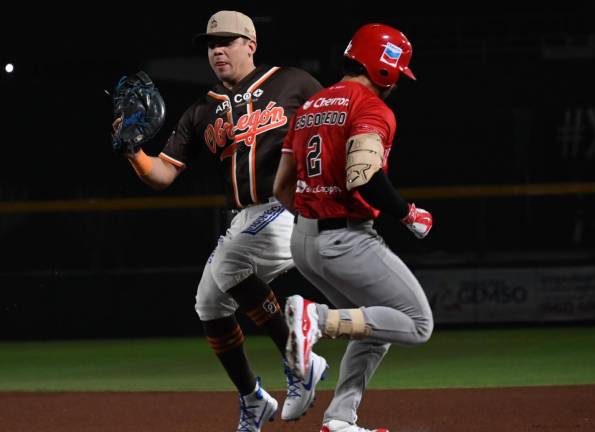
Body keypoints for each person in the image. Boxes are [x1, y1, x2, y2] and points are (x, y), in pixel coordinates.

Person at [116, 10, 327, 432]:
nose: (217, 51)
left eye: (227, 42)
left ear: (251, 44)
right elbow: (163, 173)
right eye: (211, 45)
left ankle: (300, 360)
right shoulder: (200, 111)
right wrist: (131, 150)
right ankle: (253, 398)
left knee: (230, 261)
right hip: (247, 217)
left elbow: (337, 120)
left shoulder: (293, 82)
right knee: (208, 303)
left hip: (288, 204)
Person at [272, 23, 434, 432]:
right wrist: (407, 214)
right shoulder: (370, 105)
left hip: (304, 239)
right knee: (416, 323)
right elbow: (364, 174)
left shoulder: (310, 106)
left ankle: (340, 419)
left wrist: (314, 218)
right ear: (386, 68)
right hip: (345, 238)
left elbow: (280, 187)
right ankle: (316, 319)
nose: (398, 82)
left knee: (372, 326)